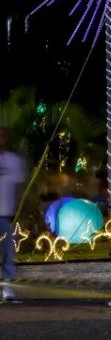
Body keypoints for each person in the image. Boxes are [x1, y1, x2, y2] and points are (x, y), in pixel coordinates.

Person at [0, 127, 26, 302]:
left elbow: (19, 187)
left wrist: (20, 207)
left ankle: (7, 288)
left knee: (7, 253)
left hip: (6, 214)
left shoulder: (14, 161)